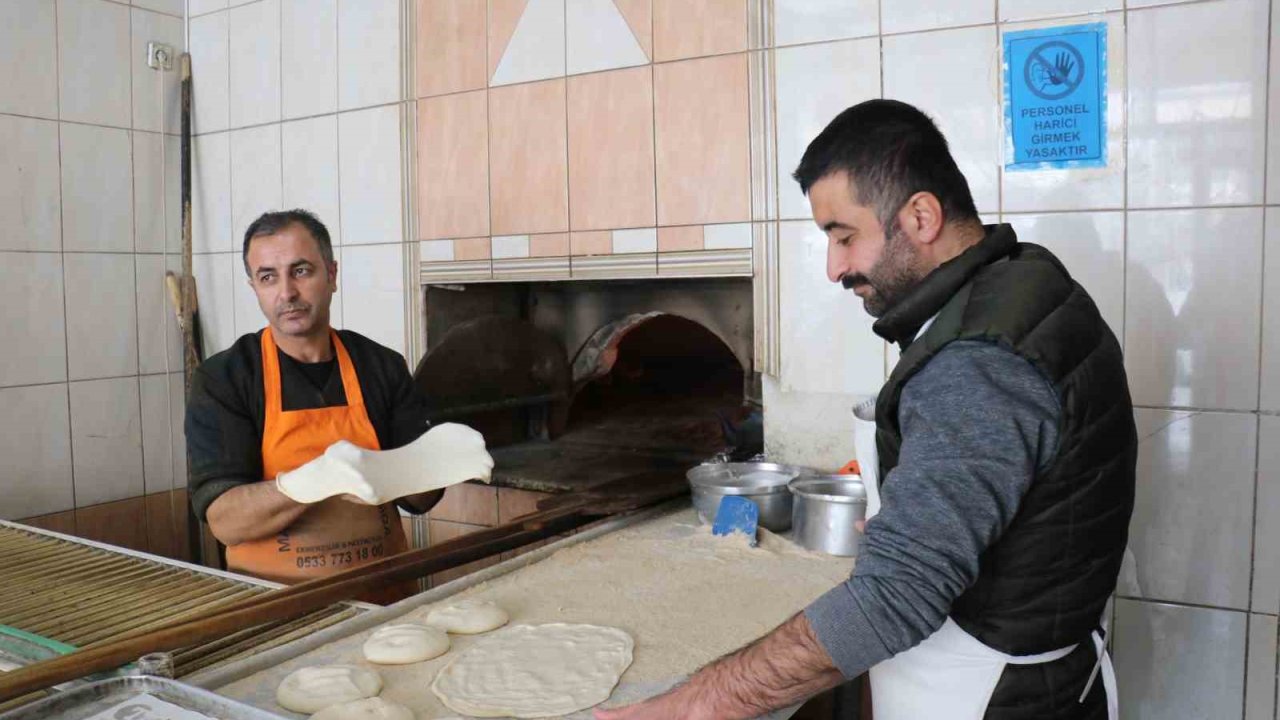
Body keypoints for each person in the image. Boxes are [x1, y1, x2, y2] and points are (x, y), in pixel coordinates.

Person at [598, 100, 1135, 719]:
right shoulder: (1022, 282)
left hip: (992, 698)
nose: (834, 268)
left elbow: (895, 596)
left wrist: (694, 706)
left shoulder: (979, 359)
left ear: (922, 216)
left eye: (844, 236)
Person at [185, 209, 445, 603]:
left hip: (387, 603)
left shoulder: (380, 366)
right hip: (277, 610)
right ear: (254, 286)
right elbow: (226, 522)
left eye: (301, 271)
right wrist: (317, 479)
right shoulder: (226, 378)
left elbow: (423, 498)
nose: (286, 292)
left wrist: (444, 458)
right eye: (268, 277)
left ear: (332, 274)